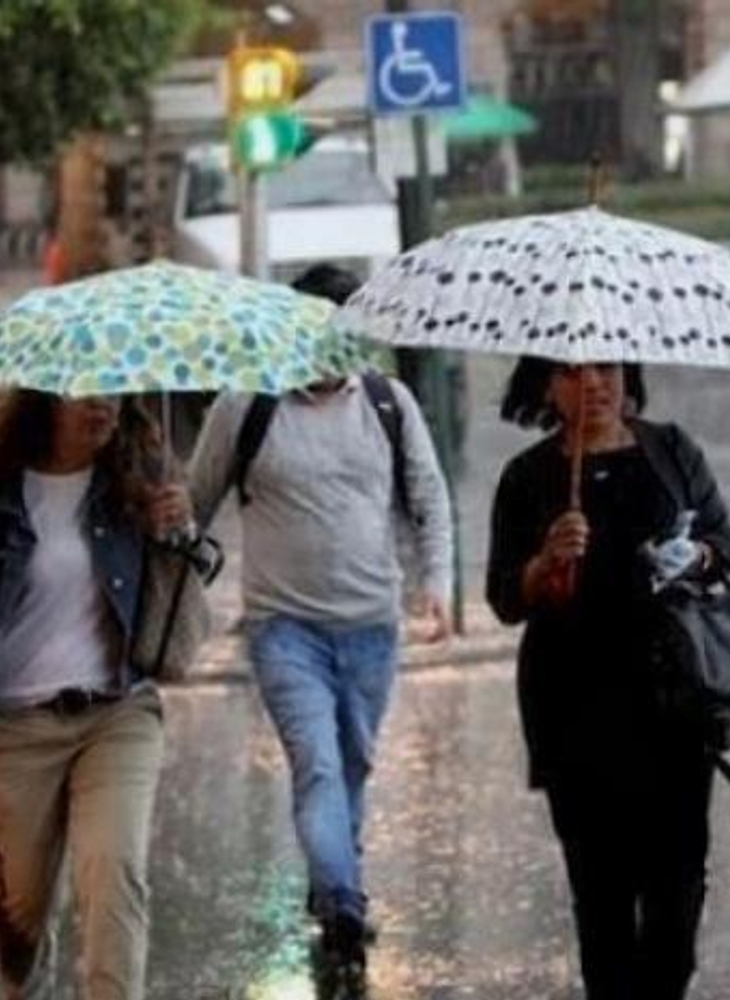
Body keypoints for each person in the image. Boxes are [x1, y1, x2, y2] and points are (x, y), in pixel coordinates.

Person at [188, 263, 454, 996]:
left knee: (356, 763)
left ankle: (332, 876)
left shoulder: (387, 403)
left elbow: (428, 496)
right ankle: (342, 897)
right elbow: (195, 501)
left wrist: (438, 585)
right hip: (283, 629)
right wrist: (166, 559)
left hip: (373, 624)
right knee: (319, 765)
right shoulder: (247, 407)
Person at [486, 358, 730, 1000]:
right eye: (572, 372)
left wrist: (696, 555)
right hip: (574, 711)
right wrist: (544, 564)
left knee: (677, 894)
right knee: (601, 899)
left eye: (607, 367)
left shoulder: (671, 449)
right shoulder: (529, 476)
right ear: (547, 387)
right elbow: (504, 599)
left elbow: (723, 544)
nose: (593, 383)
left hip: (676, 703)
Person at [0, 390, 195, 1000]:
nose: (102, 407)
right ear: (43, 403)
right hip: (16, 727)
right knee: (18, 919)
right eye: (83, 396)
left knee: (114, 876)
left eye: (112, 393)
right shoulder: (5, 487)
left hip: (117, 712)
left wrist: (177, 529)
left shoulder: (135, 481)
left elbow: (176, 604)